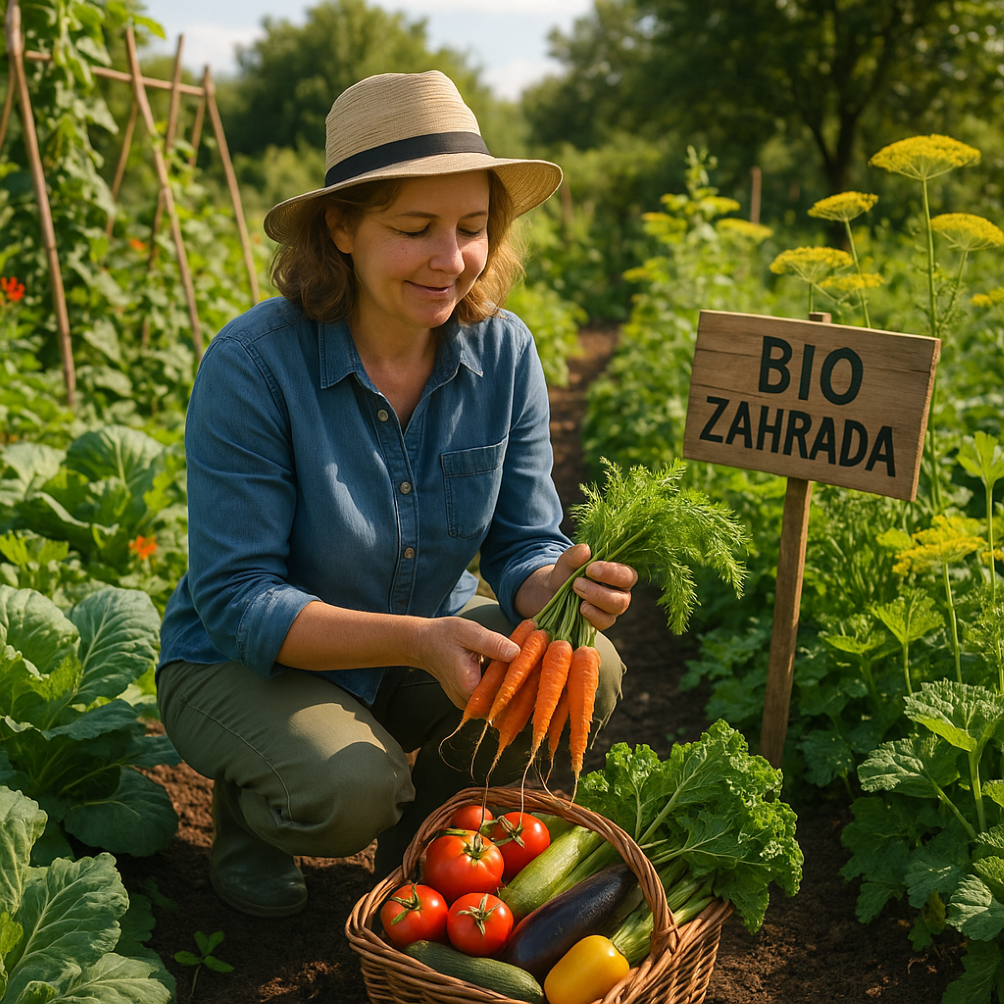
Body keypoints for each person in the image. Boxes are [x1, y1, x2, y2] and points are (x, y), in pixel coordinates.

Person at [155, 69, 638, 919]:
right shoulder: (255, 366)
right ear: (341, 227)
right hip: (245, 661)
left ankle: (425, 842)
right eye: (415, 228)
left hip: (420, 640)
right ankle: (252, 812)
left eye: (472, 227)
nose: (451, 259)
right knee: (346, 788)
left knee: (585, 668)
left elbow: (524, 540)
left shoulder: (505, 354)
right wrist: (420, 642)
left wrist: (552, 582)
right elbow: (238, 600)